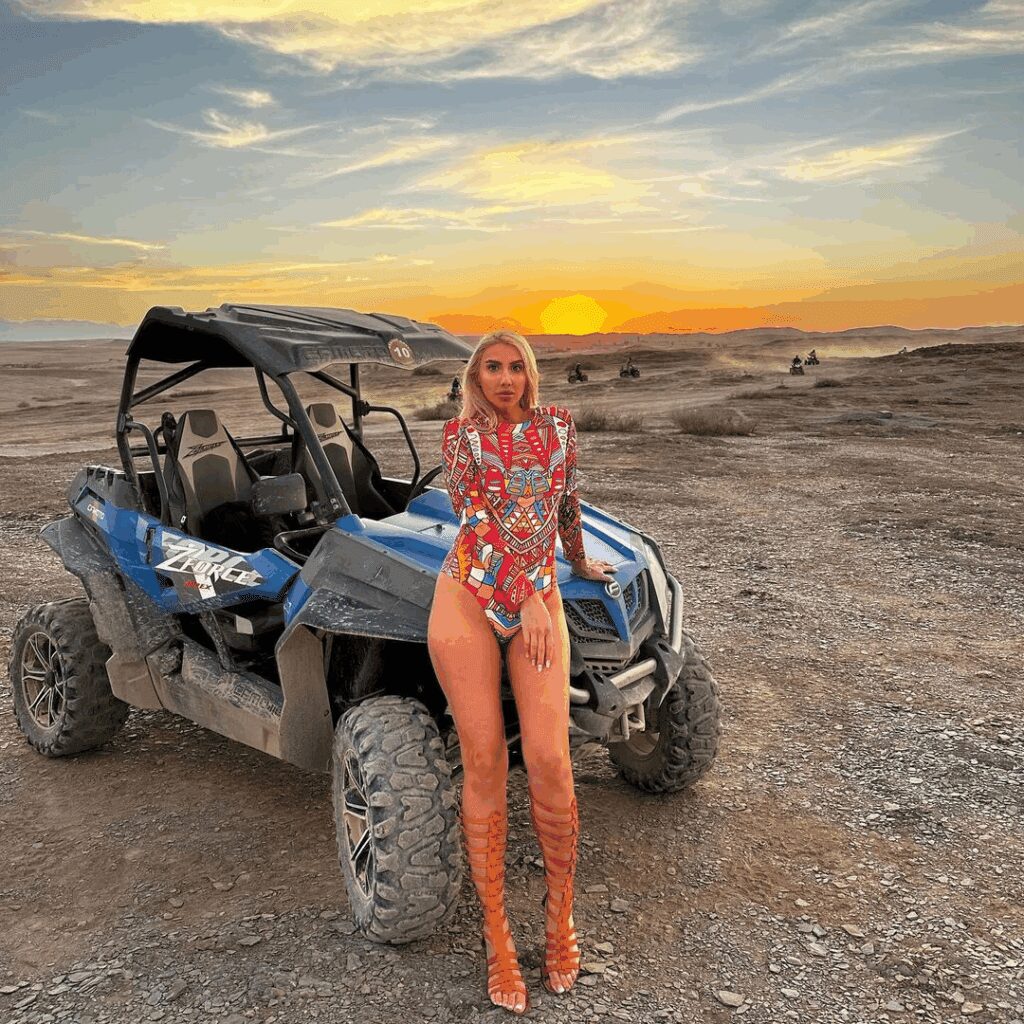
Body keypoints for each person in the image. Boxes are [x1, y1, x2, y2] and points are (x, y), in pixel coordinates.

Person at [426, 331, 615, 1015]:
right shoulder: (461, 438)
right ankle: (498, 936)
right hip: (474, 596)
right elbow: (475, 524)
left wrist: (578, 559)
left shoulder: (559, 427)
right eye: (491, 368)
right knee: (484, 762)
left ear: (530, 374)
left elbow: (566, 501)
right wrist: (530, 596)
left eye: (515, 367)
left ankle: (560, 919)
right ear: (476, 376)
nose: (505, 379)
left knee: (550, 760)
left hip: (538, 599)